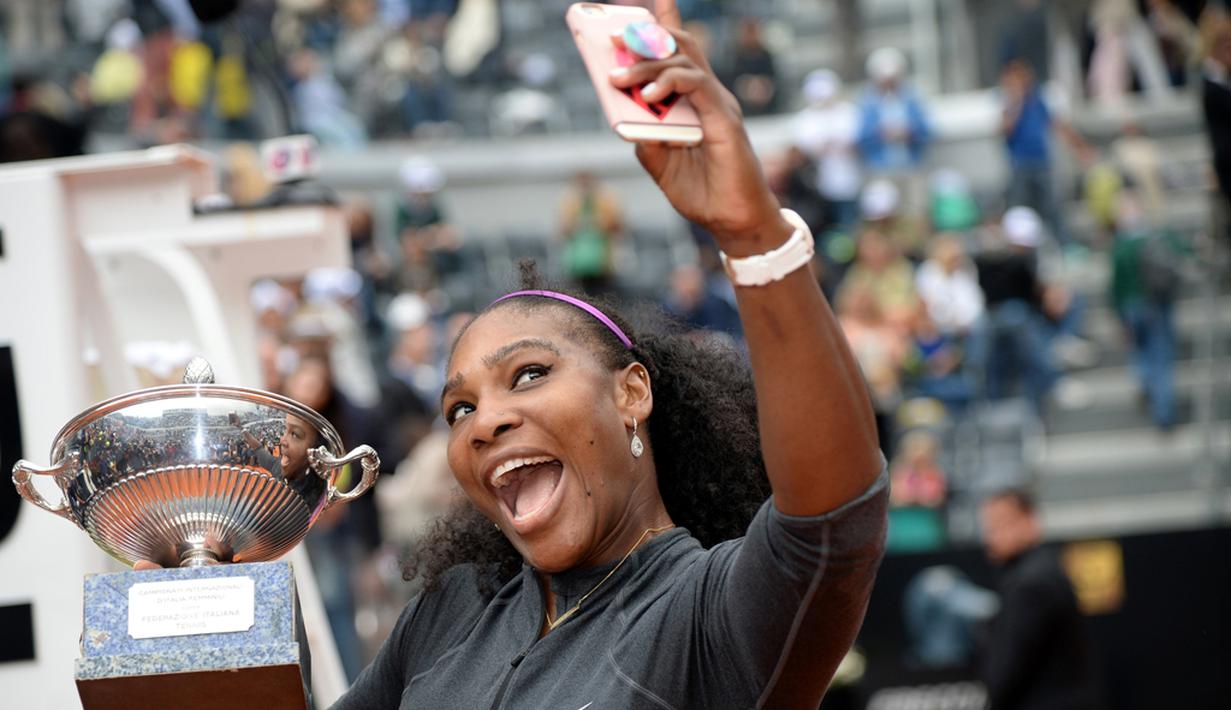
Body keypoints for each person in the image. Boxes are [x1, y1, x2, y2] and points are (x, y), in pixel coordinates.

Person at [329, 3, 888, 707]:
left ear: (631, 393)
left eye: (528, 374)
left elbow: (833, 518)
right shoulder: (450, 614)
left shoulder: (710, 614)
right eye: (459, 407)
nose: (483, 421)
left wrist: (751, 236)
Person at [979, 489, 1104, 710]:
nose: (992, 535)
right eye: (988, 527)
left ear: (1031, 521)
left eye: (1001, 523)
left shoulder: (1030, 584)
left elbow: (1006, 672)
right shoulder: (1043, 569)